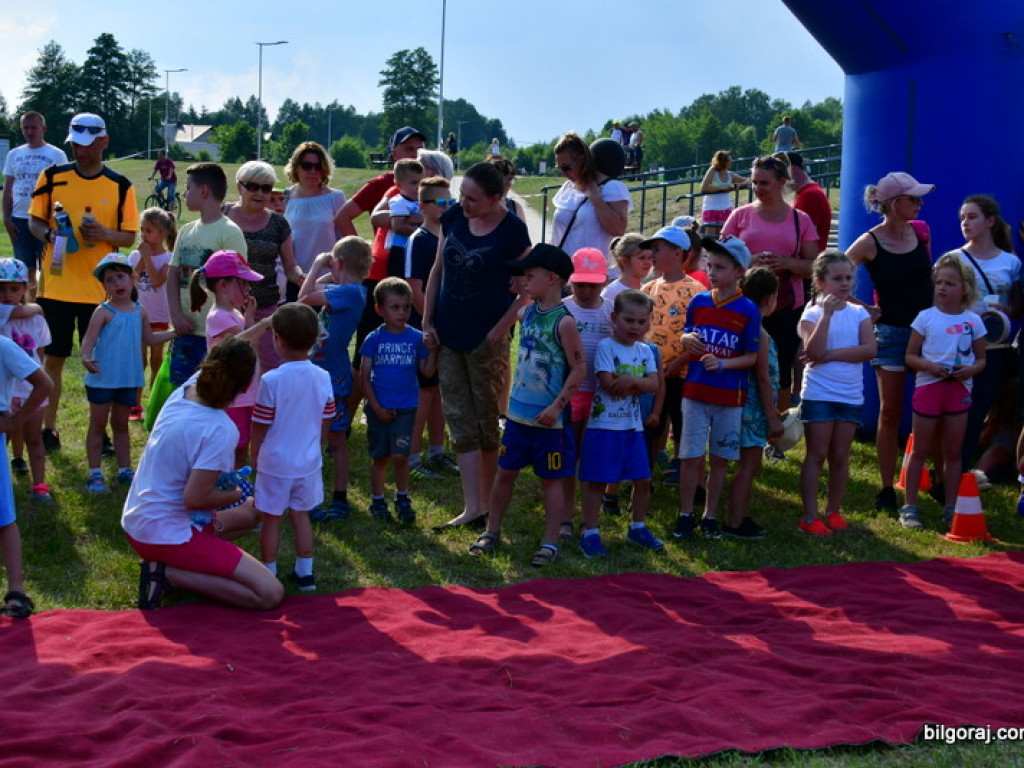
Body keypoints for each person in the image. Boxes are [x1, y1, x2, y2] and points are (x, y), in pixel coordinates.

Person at [123, 338, 283, 611]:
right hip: (166, 535)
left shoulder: (187, 389)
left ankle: (178, 563)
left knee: (253, 512)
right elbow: (195, 498)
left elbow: (232, 347)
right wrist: (233, 493)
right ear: (245, 388)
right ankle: (167, 575)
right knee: (270, 593)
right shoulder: (219, 429)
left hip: (141, 521)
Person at [422, 162, 531, 531]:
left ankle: (488, 505)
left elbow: (529, 288)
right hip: (448, 333)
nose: (462, 204)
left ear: (496, 198)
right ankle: (472, 507)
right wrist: (427, 319)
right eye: (461, 195)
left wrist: (498, 332)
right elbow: (438, 268)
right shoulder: (453, 217)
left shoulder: (513, 231)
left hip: (488, 339)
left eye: (472, 199)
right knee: (460, 421)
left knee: (487, 422)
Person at [28, 112, 138, 453]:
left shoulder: (120, 185)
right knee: (54, 361)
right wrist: (50, 233)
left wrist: (105, 234)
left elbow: (130, 236)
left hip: (99, 293)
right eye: (75, 143)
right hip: (57, 288)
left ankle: (100, 432)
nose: (81, 150)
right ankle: (50, 429)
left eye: (88, 144)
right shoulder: (51, 176)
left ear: (104, 142)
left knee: (100, 362)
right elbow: (34, 222)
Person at [467, 244, 584, 566]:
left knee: (552, 481)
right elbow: (516, 306)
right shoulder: (527, 311)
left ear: (551, 278)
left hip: (549, 422)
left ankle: (550, 541)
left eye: (529, 276)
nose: (523, 281)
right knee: (505, 474)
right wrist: (519, 289)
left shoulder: (564, 322)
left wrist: (557, 407)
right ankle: (491, 531)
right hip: (518, 418)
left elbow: (579, 368)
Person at [846, 172, 935, 513]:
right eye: (914, 198)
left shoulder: (921, 231)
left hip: (928, 332)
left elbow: (930, 280)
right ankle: (886, 487)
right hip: (892, 333)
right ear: (894, 204)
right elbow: (830, 275)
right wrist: (864, 308)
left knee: (933, 408)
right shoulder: (870, 241)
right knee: (890, 412)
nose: (920, 203)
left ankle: (939, 479)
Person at [673, 236, 760, 541]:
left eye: (720, 267)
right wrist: (686, 340)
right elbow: (686, 333)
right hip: (695, 391)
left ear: (739, 271)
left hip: (729, 396)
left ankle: (710, 515)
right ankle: (685, 514)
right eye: (710, 265)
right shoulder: (699, 301)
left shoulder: (748, 309)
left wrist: (724, 365)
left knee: (720, 459)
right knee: (690, 456)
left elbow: (751, 356)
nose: (711, 272)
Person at [722, 154, 819, 412]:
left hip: (787, 305)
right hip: (743, 303)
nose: (757, 189)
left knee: (782, 369)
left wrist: (785, 262)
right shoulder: (740, 216)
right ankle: (738, 424)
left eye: (764, 183)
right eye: (754, 182)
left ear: (782, 182)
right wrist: (750, 260)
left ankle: (777, 434)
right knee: (740, 361)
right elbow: (721, 259)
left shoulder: (801, 219)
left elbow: (814, 266)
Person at [252, 303, 335, 592]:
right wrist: (319, 447)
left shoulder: (271, 380)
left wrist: (254, 455)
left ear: (278, 340)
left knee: (272, 519)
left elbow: (260, 425)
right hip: (308, 462)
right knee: (301, 516)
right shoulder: (323, 377)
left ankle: (268, 574)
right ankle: (305, 573)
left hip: (275, 463)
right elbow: (327, 419)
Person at [901, 254, 986, 530]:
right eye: (938, 282)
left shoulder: (974, 321)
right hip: (929, 387)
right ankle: (909, 506)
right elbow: (910, 356)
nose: (942, 288)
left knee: (953, 451)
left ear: (965, 289)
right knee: (920, 450)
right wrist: (928, 365)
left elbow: (982, 359)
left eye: (949, 283)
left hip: (958, 390)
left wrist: (970, 370)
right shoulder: (925, 317)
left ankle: (951, 506)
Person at [81, 254, 177, 494]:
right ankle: (95, 473)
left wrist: (176, 333)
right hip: (103, 379)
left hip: (128, 379)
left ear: (133, 277)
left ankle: (125, 469)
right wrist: (84, 356)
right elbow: (88, 340)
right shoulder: (102, 312)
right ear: (104, 286)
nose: (117, 284)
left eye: (121, 277)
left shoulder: (140, 311)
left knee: (121, 425)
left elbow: (150, 339)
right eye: (110, 280)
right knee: (98, 425)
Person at [578, 289, 662, 555]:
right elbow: (608, 384)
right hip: (604, 427)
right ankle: (590, 532)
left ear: (649, 322)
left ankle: (638, 527)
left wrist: (632, 382)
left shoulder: (647, 351)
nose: (635, 327)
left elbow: (655, 384)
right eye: (629, 320)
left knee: (643, 480)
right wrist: (638, 384)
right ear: (614, 318)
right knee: (597, 481)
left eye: (641, 321)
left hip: (633, 428)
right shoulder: (606, 346)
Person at [797, 251, 875, 536]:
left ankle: (833, 510)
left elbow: (869, 350)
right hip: (819, 394)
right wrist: (827, 315)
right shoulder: (813, 312)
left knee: (840, 456)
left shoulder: (859, 313)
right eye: (837, 278)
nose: (845, 284)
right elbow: (812, 350)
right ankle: (809, 515)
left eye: (849, 277)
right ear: (820, 281)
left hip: (850, 395)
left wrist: (829, 355)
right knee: (816, 455)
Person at [300, 236, 372, 522]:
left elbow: (303, 299)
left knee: (331, 439)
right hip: (322, 372)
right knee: (323, 439)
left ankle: (330, 499)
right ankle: (316, 497)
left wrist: (319, 264)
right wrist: (333, 270)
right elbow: (314, 289)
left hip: (332, 376)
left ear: (339, 263)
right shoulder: (347, 289)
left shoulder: (351, 293)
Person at [950, 195, 1021, 472]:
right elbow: (940, 303)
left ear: (990, 221)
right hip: (961, 346)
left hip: (996, 348)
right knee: (957, 412)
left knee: (980, 410)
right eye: (962, 218)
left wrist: (1007, 310)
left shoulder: (1011, 263)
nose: (965, 223)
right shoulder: (953, 259)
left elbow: (1017, 306)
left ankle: (964, 470)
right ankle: (949, 471)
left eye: (972, 217)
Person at [359, 278, 438, 525]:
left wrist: (433, 350)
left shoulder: (415, 338)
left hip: (406, 408)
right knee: (380, 458)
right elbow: (364, 377)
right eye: (395, 307)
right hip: (379, 407)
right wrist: (377, 407)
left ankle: (402, 497)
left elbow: (426, 371)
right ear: (380, 310)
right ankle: (377, 499)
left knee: (401, 455)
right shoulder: (374, 339)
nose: (402, 312)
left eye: (405, 307)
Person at [165, 163, 248, 387]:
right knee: (181, 390)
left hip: (216, 334)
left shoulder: (229, 232)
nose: (184, 193)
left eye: (188, 187)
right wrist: (176, 315)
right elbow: (172, 274)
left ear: (204, 191)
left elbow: (240, 282)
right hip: (185, 331)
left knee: (212, 392)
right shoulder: (185, 230)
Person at [639, 227, 705, 485]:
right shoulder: (649, 289)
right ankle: (645, 475)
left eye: (657, 250)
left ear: (678, 253)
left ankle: (687, 474)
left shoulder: (696, 291)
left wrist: (678, 363)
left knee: (682, 426)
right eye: (650, 250)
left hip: (682, 373)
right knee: (652, 425)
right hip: (652, 375)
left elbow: (700, 335)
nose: (651, 255)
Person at [403, 177, 458, 481]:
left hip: (443, 329)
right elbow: (414, 288)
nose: (447, 207)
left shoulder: (449, 235)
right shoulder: (419, 239)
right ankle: (412, 457)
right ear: (423, 206)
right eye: (441, 202)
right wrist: (430, 324)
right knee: (423, 394)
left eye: (450, 202)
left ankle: (437, 451)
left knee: (438, 392)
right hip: (424, 330)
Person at [198, 250, 272, 467]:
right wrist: (264, 324)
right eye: (244, 283)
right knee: (233, 446)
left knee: (243, 445)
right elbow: (239, 343)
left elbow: (252, 347)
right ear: (223, 285)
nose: (249, 289)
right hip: (233, 397)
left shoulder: (234, 314)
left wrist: (249, 318)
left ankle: (234, 484)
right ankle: (226, 485)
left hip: (246, 393)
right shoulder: (219, 316)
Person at [225, 161, 301, 370]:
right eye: (253, 186)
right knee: (228, 365)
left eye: (266, 188)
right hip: (226, 306)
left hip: (264, 306)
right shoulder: (223, 215)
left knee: (268, 365)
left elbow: (290, 266)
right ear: (239, 187)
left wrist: (300, 276)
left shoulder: (279, 223)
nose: (259, 193)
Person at [726, 267, 784, 539]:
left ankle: (735, 515)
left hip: (742, 405)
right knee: (748, 465)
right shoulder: (758, 332)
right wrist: (772, 416)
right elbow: (762, 378)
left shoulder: (742, 324)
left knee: (745, 464)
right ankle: (735, 521)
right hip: (753, 410)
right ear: (771, 298)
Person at [0, 333, 53, 618]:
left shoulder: (4, 346)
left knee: (4, 518)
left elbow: (44, 384)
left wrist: (14, 422)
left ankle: (16, 591)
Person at [563, 246, 613, 523]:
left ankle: (590, 515)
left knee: (591, 458)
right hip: (570, 394)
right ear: (571, 280)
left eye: (593, 285)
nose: (586, 291)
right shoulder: (562, 309)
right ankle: (566, 515)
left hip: (600, 395)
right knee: (568, 458)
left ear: (605, 281)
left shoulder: (611, 312)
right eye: (580, 284)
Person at [0, 258, 52, 502]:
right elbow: (29, 308)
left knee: (34, 438)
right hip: (5, 393)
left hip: (33, 391)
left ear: (25, 288)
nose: (7, 295)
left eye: (13, 288)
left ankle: (39, 484)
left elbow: (39, 355)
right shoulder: (1, 315)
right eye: (1, 289)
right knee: (4, 438)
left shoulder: (37, 320)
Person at [2, 111, 67, 297]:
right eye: (25, 128)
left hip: (46, 221)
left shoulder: (56, 154)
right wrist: (6, 219)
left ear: (43, 129)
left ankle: (46, 305)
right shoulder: (14, 154)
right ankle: (28, 307)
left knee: (50, 267)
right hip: (19, 220)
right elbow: (8, 189)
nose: (29, 132)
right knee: (24, 268)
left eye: (33, 127)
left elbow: (64, 190)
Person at [550, 132, 631, 269]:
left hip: (596, 274)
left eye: (566, 167)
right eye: (559, 168)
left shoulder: (612, 188)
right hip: (564, 274)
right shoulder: (567, 188)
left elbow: (618, 229)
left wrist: (596, 199)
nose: (563, 174)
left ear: (582, 160)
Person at [282, 141, 346, 301]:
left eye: (318, 167)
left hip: (327, 282)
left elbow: (345, 242)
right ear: (296, 167)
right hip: (294, 280)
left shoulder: (335, 198)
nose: (313, 171)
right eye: (307, 166)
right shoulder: (285, 197)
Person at [129, 207, 176, 420]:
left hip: (158, 316)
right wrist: (141, 257)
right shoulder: (135, 255)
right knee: (140, 361)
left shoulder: (169, 258)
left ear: (163, 233)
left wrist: (148, 258)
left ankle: (154, 403)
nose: (144, 235)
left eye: (149, 231)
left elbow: (157, 281)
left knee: (157, 359)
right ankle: (135, 405)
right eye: (142, 230)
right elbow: (132, 279)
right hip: (139, 315)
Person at [385, 159, 424, 278]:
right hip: (400, 249)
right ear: (399, 185)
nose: (418, 187)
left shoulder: (419, 201)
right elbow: (398, 226)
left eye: (421, 183)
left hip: (414, 248)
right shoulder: (400, 202)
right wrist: (423, 235)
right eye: (413, 183)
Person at [786, 152, 831, 252]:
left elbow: (802, 236)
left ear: (792, 169)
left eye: (780, 175)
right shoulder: (810, 191)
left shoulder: (808, 196)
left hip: (804, 263)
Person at [700, 150, 749, 237]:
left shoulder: (730, 174)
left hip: (725, 208)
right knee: (710, 237)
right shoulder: (712, 171)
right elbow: (704, 188)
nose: (731, 162)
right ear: (723, 161)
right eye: (729, 160)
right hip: (711, 208)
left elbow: (748, 180)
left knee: (723, 236)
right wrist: (722, 188)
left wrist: (739, 185)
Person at [603, 233, 652, 299]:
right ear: (624, 261)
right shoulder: (612, 292)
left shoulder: (648, 290)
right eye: (642, 258)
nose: (648, 262)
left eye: (650, 258)